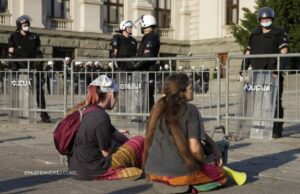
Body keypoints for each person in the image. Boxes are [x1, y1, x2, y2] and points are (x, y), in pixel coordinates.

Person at [143, 73, 227, 190]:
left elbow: (193, 132)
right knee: (221, 175)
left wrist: (213, 145)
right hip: (178, 175)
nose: (194, 91)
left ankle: (169, 184)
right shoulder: (190, 110)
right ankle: (189, 186)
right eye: (191, 88)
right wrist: (205, 160)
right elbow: (195, 148)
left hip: (153, 173)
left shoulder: (157, 108)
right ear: (182, 92)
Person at [68, 75, 144, 180]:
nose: (116, 100)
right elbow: (106, 153)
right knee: (139, 141)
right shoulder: (101, 117)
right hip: (93, 168)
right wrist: (113, 141)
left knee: (128, 143)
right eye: (116, 95)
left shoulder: (87, 111)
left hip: (76, 167)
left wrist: (115, 134)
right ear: (111, 94)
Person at [241, 7, 288, 138]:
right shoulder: (254, 34)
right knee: (257, 101)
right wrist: (243, 69)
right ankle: (258, 127)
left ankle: (276, 129)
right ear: (259, 20)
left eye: (267, 18)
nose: (265, 21)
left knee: (275, 101)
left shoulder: (279, 33)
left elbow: (284, 53)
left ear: (271, 19)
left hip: (272, 73)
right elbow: (248, 53)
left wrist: (278, 70)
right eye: (263, 19)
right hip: (257, 73)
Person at [8, 14, 51, 123]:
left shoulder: (34, 36)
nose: (27, 26)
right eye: (24, 25)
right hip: (20, 70)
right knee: (18, 92)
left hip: (33, 69)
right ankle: (17, 113)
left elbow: (38, 52)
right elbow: (11, 53)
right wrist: (14, 69)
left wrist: (39, 68)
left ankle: (43, 114)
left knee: (39, 91)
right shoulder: (13, 36)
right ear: (19, 26)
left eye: (28, 25)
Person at [131, 15, 160, 111]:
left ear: (146, 24)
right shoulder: (148, 37)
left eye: (142, 24)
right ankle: (146, 114)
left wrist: (135, 66)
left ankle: (149, 116)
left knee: (147, 94)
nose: (141, 26)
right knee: (145, 94)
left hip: (148, 70)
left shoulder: (151, 37)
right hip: (145, 70)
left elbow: (148, 56)